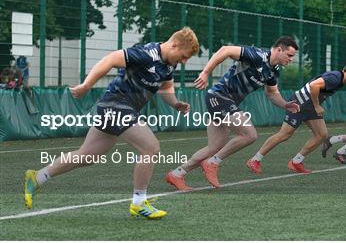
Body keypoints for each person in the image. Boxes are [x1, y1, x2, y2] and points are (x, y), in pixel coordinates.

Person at [24, 27, 199, 219]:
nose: (184, 62)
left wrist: (175, 103)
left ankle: (38, 177)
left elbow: (165, 88)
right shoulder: (146, 54)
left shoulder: (169, 65)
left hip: (117, 108)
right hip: (116, 105)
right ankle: (139, 202)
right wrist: (86, 85)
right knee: (151, 148)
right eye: (184, 56)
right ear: (174, 45)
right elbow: (110, 59)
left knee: (87, 156)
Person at [166, 36, 300, 190]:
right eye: (289, 55)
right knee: (249, 134)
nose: (291, 60)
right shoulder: (257, 55)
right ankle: (213, 162)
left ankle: (176, 174)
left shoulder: (274, 71)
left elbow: (271, 93)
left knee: (214, 147)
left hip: (226, 102)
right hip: (219, 96)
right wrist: (205, 72)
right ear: (278, 50)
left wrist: (285, 104)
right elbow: (226, 50)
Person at [246, 61, 346, 174]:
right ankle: (255, 159)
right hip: (300, 104)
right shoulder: (335, 77)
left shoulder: (339, 80)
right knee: (284, 135)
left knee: (322, 135)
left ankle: (296, 161)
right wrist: (317, 105)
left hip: (310, 106)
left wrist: (315, 106)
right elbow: (314, 86)